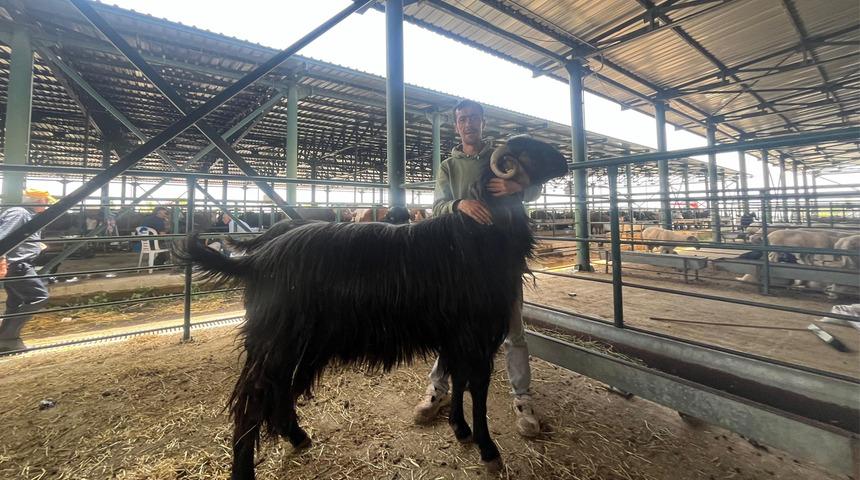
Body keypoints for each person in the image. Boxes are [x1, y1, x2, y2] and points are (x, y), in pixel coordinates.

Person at [412, 99, 542, 437]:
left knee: (512, 325)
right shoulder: (448, 167)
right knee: (451, 325)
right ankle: (438, 389)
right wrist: (459, 203)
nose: (468, 124)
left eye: (473, 118)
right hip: (460, 261)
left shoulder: (501, 157)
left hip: (501, 257)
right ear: (456, 126)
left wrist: (518, 186)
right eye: (462, 119)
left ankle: (522, 397)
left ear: (483, 122)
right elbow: (438, 206)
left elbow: (535, 186)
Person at [0, 189, 56, 352]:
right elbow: (3, 237)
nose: (47, 206)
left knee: (15, 302)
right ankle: (7, 338)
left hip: (18, 264)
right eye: (46, 202)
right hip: (17, 266)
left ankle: (6, 339)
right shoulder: (20, 213)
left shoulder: (27, 214)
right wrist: (2, 258)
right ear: (39, 201)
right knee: (39, 297)